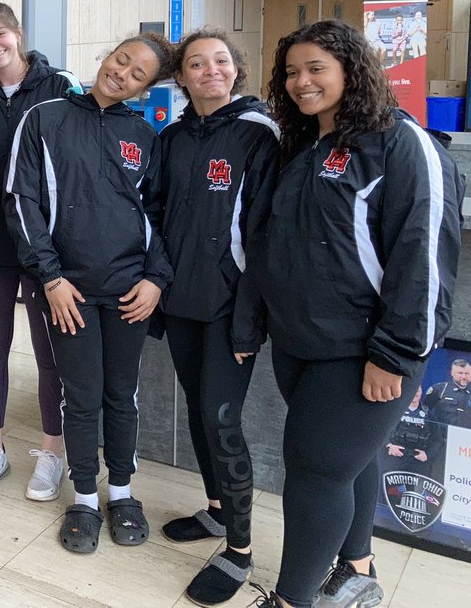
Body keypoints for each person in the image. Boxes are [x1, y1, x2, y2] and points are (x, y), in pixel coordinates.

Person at [234, 19, 461, 608]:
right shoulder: (303, 144)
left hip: (365, 349)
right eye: (291, 72)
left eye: (316, 69)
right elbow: (273, 243)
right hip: (299, 341)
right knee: (343, 463)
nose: (301, 82)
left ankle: (291, 599)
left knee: (313, 472)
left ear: (351, 70)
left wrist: (396, 354)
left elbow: (424, 262)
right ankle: (356, 568)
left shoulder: (403, 144)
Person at [4, 32, 174, 555]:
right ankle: (83, 497)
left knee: (121, 395)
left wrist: (155, 278)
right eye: (121, 60)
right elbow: (20, 200)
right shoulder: (44, 118)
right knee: (80, 397)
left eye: (137, 73)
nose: (122, 73)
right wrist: (50, 278)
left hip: (130, 293)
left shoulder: (145, 136)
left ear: (146, 88)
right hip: (67, 292)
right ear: (107, 57)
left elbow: (163, 216)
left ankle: (121, 492)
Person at [157, 29, 280, 605]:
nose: (211, 71)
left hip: (231, 310)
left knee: (222, 418)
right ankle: (214, 509)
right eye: (197, 64)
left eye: (222, 61)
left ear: (238, 70)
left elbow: (265, 238)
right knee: (200, 412)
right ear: (181, 77)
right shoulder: (173, 136)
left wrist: (249, 322)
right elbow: (154, 216)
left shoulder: (261, 136)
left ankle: (240, 550)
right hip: (183, 301)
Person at [0, 2, 81, 501]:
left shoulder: (58, 87)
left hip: (45, 249)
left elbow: (72, 168)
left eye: (0, 34)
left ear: (18, 33)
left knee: (49, 355)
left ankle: (52, 453)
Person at [421, 357, 471, 429]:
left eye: (467, 373)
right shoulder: (440, 389)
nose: (464, 377)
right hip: (442, 436)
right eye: (460, 373)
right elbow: (425, 410)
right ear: (452, 373)